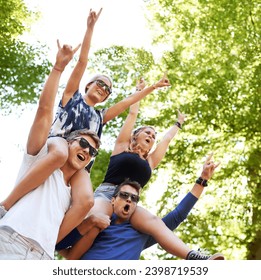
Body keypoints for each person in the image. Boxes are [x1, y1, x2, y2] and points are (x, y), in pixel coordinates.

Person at [0, 9, 170, 243]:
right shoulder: (73, 97)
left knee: (87, 201)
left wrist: (151, 88)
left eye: (108, 89)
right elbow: (82, 62)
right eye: (100, 83)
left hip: (81, 160)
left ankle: (53, 242)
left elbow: (127, 102)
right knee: (60, 154)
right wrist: (90, 28)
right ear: (89, 84)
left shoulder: (100, 117)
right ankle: (6, 204)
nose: (103, 88)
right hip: (60, 142)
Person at [0, 40, 101, 260]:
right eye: (83, 144)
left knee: (87, 201)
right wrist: (58, 69)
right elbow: (44, 111)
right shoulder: (39, 157)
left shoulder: (73, 196)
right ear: (70, 141)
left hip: (43, 257)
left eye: (92, 152)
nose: (87, 150)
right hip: (11, 241)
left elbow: (85, 203)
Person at [56, 154, 224, 260]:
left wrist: (202, 180)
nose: (129, 200)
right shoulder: (97, 224)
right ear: (112, 200)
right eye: (124, 195)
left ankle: (195, 258)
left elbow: (178, 214)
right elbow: (63, 248)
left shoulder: (142, 234)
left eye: (134, 198)